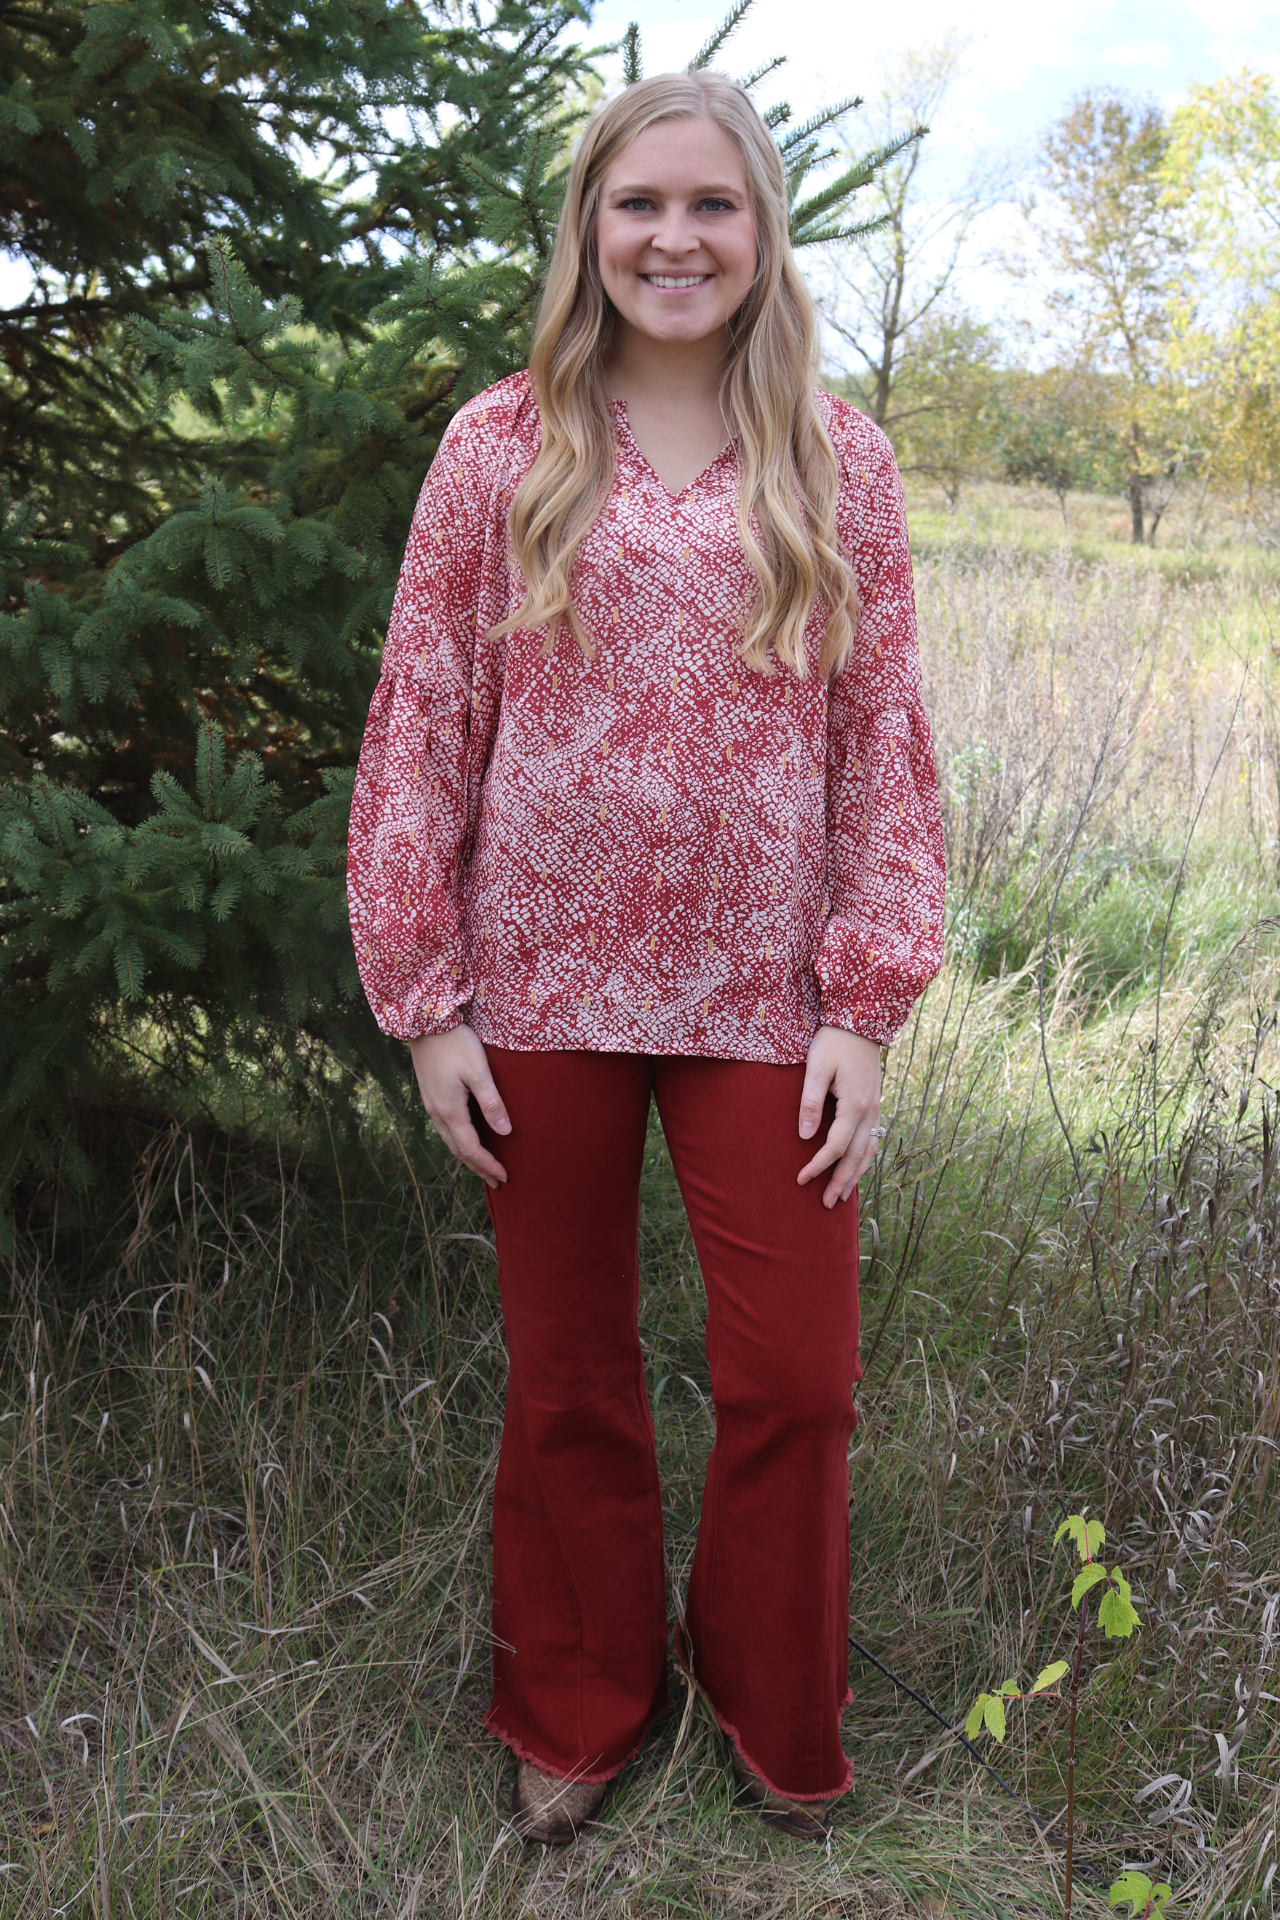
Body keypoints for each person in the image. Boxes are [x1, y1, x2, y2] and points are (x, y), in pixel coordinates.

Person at [347, 70, 945, 1846]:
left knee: (795, 1378)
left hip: (769, 1000)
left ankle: (773, 1697)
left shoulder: (843, 460)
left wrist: (870, 1005)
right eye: (639, 206)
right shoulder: (499, 444)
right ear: (589, 233)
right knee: (571, 1372)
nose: (674, 239)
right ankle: (582, 1698)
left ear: (762, 236)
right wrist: (425, 997)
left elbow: (882, 737)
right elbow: (425, 718)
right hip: (536, 984)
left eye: (713, 207)